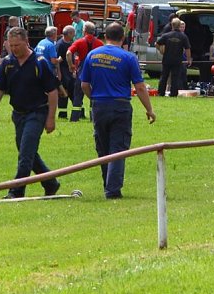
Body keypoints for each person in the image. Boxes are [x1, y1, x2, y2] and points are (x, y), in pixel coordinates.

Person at [80, 22, 156, 199]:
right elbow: (140, 87)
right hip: (120, 106)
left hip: (99, 106)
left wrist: (95, 99)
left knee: (103, 148)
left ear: (105, 36)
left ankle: (107, 184)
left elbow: (84, 85)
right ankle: (112, 190)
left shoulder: (92, 55)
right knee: (118, 148)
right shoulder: (128, 58)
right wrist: (149, 109)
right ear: (122, 38)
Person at [0, 27, 60, 199]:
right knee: (29, 153)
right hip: (18, 114)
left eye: (17, 45)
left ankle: (16, 192)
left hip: (37, 112)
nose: (14, 49)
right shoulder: (7, 63)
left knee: (25, 154)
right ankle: (50, 183)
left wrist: (51, 118)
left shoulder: (40, 62)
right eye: (11, 45)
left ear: (26, 42)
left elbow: (53, 91)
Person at [66, 22, 103, 121]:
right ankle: (93, 117)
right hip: (96, 69)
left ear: (84, 31)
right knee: (94, 94)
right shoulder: (100, 43)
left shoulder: (79, 42)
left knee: (78, 94)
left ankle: (74, 118)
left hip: (82, 69)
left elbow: (69, 53)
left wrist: (71, 66)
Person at [156, 18, 191, 97]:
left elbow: (157, 44)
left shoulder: (166, 35)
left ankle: (160, 93)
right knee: (175, 77)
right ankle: (173, 93)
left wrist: (161, 51)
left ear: (172, 25)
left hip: (167, 59)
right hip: (177, 60)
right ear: (179, 25)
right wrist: (189, 59)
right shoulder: (183, 36)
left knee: (164, 76)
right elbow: (187, 49)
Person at [55, 25, 76, 119]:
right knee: (64, 93)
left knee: (74, 92)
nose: (74, 34)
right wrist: (59, 73)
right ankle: (62, 114)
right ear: (69, 33)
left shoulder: (71, 43)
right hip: (63, 72)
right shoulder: (60, 45)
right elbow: (57, 60)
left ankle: (79, 113)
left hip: (70, 72)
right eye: (73, 33)